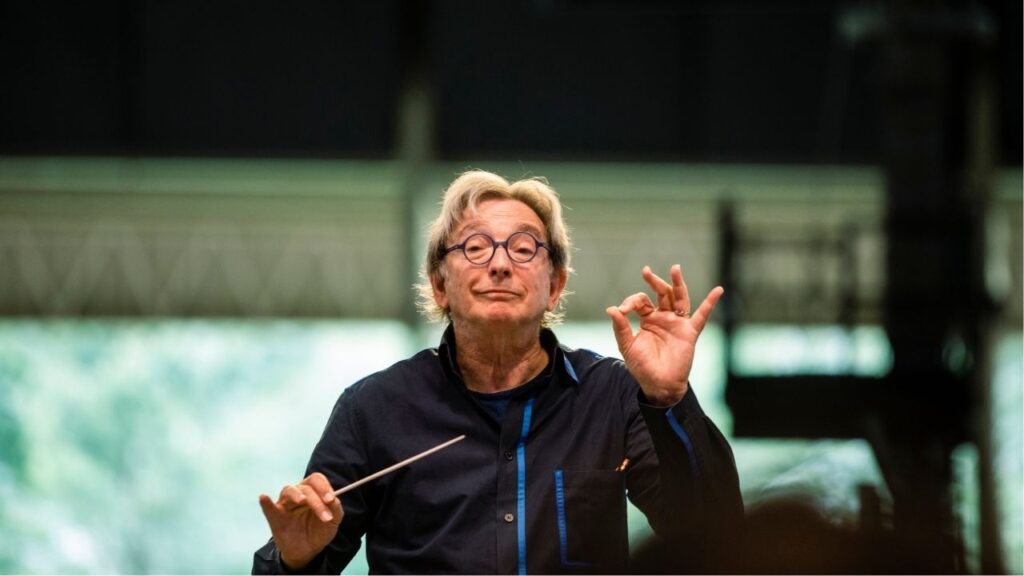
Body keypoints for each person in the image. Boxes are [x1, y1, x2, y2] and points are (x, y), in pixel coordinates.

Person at [253, 170, 743, 574]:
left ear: (555, 286)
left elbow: (715, 539)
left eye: (524, 247)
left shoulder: (612, 394)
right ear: (439, 284)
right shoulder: (374, 408)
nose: (501, 265)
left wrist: (668, 396)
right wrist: (294, 560)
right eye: (475, 247)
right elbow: (298, 549)